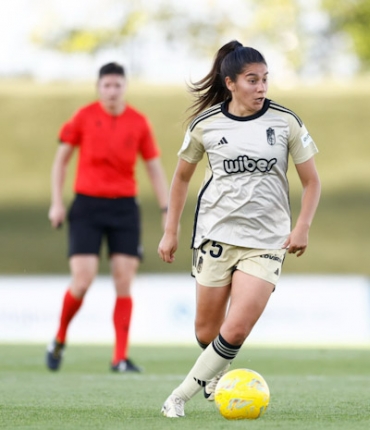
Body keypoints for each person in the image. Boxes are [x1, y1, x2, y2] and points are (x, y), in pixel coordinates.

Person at [158, 40, 321, 418]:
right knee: (206, 332)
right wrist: (171, 231)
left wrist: (302, 227)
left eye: (265, 80)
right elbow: (181, 179)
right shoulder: (206, 125)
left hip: (267, 242)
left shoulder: (286, 122)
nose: (261, 88)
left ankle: (177, 397)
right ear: (230, 83)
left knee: (237, 328)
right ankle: (217, 369)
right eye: (252, 80)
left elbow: (312, 182)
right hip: (215, 236)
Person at [46, 62, 169, 373]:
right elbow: (61, 162)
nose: (112, 91)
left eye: (117, 85)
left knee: (124, 281)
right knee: (83, 280)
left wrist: (167, 209)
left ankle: (120, 357)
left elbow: (154, 167)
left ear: (125, 87)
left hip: (124, 208)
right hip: (87, 207)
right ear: (99, 88)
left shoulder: (139, 122)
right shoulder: (83, 117)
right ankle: (59, 338)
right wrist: (57, 203)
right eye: (107, 85)